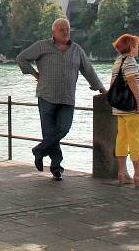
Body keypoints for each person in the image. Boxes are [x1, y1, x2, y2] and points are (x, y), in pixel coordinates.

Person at [17, 18, 106, 181]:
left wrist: (101, 89)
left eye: (67, 29)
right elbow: (21, 58)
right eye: (62, 30)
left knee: (63, 129)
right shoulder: (42, 46)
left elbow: (88, 70)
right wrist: (34, 74)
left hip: (67, 98)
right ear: (53, 33)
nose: (65, 32)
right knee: (50, 132)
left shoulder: (76, 50)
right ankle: (56, 168)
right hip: (46, 96)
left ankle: (40, 150)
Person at [111, 34, 139, 187]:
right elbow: (132, 81)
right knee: (136, 139)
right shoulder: (130, 61)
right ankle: (138, 175)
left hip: (120, 108)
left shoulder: (117, 62)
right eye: (136, 45)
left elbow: (113, 83)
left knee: (122, 138)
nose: (138, 48)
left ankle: (123, 172)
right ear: (131, 47)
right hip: (132, 108)